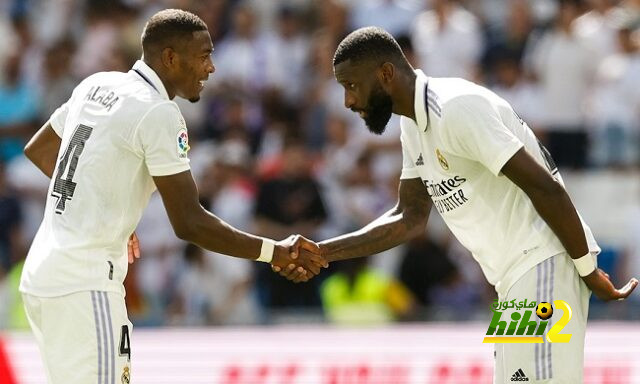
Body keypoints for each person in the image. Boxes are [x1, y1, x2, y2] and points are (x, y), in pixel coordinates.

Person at [275, 27, 638, 383]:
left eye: (351, 85)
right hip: (512, 283)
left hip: (542, 264)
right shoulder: (414, 125)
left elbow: (547, 188)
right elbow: (409, 218)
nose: (348, 102)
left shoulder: (454, 107)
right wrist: (322, 251)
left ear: (385, 74)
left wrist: (587, 269)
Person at [19, 9, 325, 384]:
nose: (211, 68)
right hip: (85, 284)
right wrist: (273, 252)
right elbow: (190, 221)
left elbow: (40, 149)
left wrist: (101, 205)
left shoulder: (96, 84)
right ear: (169, 58)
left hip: (44, 277)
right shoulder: (159, 112)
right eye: (203, 55)